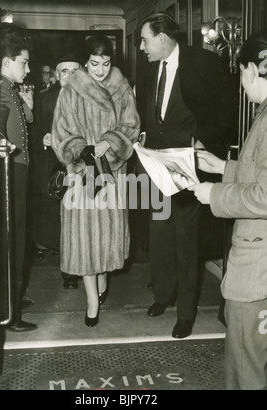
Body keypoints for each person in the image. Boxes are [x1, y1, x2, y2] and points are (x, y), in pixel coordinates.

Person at [136, 12, 233, 339]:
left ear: (162, 38)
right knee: (159, 234)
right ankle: (163, 295)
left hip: (187, 166)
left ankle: (186, 315)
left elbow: (224, 108)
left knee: (185, 241)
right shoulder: (150, 67)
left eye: (145, 39)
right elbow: (149, 113)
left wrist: (204, 140)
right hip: (155, 165)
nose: (141, 46)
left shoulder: (200, 62)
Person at [189, 31, 267, 390]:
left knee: (246, 367)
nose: (242, 85)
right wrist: (223, 166)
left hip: (258, 271)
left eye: (241, 75)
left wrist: (213, 194)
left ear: (252, 69)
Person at [51, 35, 140, 327]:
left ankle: (102, 283)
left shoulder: (121, 87)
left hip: (111, 176)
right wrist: (82, 149)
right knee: (84, 241)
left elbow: (131, 125)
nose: (100, 70)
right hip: (81, 177)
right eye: (94, 64)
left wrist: (110, 142)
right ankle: (91, 302)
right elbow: (61, 131)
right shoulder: (70, 89)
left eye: (106, 63)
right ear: (85, 61)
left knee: (107, 241)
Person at [0, 23, 37, 332]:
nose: (28, 67)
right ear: (7, 61)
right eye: (23, 61)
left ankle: (11, 298)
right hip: (10, 172)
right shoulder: (0, 89)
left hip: (16, 170)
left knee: (17, 238)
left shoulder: (8, 88)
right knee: (14, 241)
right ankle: (10, 313)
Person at [30, 52, 81, 289]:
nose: (69, 76)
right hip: (53, 168)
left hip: (82, 166)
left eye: (74, 70)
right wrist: (43, 137)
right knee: (59, 221)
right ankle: (67, 269)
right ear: (56, 74)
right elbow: (32, 132)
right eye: (64, 71)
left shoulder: (90, 97)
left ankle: (76, 268)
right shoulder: (43, 99)